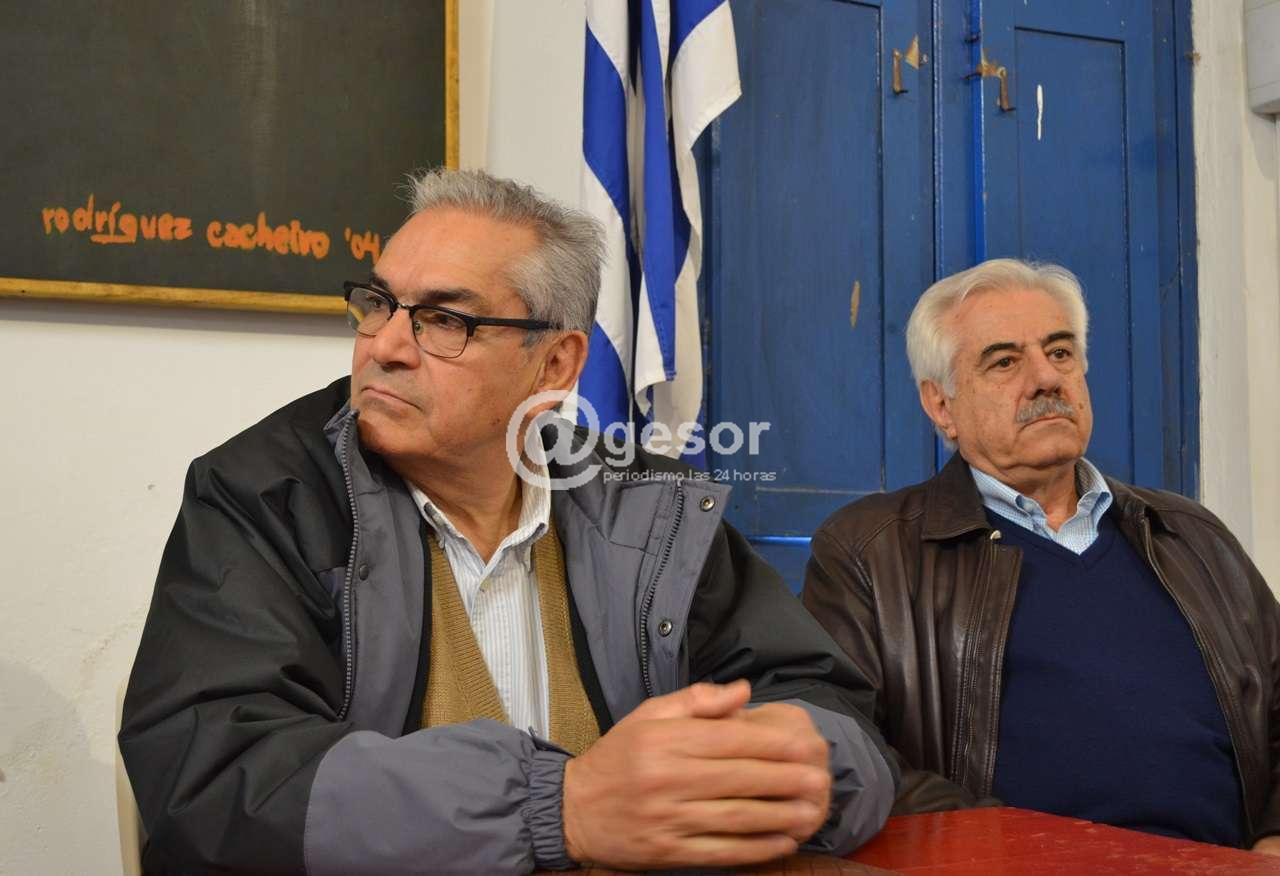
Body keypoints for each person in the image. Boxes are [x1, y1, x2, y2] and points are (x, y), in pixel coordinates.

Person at [120, 168, 896, 874]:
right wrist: (560, 809)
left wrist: (792, 760)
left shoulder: (650, 508)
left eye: (442, 320)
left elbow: (829, 712)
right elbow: (212, 771)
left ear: (555, 365)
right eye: (378, 303)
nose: (385, 345)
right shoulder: (264, 495)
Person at [802, 258, 1280, 853]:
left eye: (1060, 352)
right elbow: (842, 755)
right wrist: (1020, 850)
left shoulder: (1189, 535)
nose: (1046, 378)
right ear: (941, 406)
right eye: (1004, 362)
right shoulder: (870, 553)